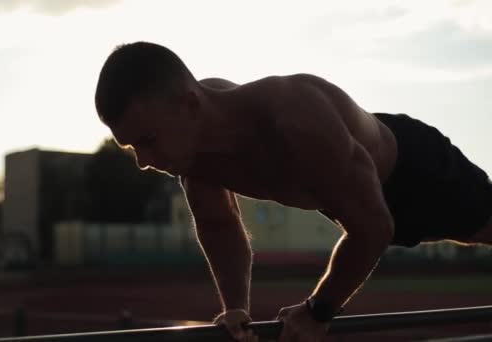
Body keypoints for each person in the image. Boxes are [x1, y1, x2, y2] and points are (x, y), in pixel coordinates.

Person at [94, 41, 492, 342]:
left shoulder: (294, 118)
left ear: (190, 104)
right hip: (355, 195)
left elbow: (373, 228)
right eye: (132, 147)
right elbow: (219, 226)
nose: (143, 161)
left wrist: (318, 310)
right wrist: (235, 308)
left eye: (147, 140)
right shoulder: (194, 154)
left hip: (416, 172)